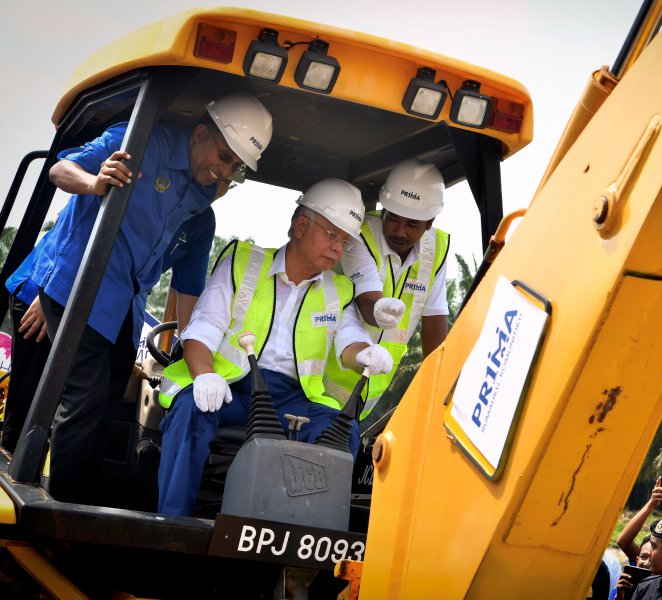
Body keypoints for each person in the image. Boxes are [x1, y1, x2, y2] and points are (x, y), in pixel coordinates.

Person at [3, 93, 273, 504]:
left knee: (107, 411)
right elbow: (61, 168)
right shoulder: (143, 141)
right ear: (200, 132)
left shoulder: (202, 210)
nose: (225, 171)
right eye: (224, 156)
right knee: (81, 403)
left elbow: (188, 296)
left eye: (234, 167)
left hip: (123, 312)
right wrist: (95, 183)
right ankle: (60, 516)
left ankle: (86, 505)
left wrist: (192, 364)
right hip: (77, 289)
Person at [156, 179, 395, 517]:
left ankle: (304, 539)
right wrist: (205, 375)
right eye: (331, 234)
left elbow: (348, 341)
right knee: (191, 411)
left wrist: (365, 353)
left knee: (343, 433)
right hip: (233, 388)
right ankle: (172, 525)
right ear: (300, 226)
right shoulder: (242, 262)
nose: (338, 249)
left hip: (292, 400)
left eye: (344, 240)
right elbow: (203, 328)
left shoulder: (339, 290)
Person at [1, 178, 236, 454]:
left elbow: (188, 295)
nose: (218, 183)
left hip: (111, 311)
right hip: (52, 291)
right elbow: (78, 227)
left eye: (227, 180)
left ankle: (71, 487)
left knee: (96, 411)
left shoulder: (201, 223)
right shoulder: (152, 185)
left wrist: (189, 354)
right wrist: (52, 292)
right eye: (217, 173)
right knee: (31, 407)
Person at [323, 158, 450, 420]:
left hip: (370, 394)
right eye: (392, 218)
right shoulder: (359, 236)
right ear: (383, 210)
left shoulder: (437, 249)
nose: (398, 231)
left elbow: (435, 318)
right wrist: (378, 310)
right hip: (320, 382)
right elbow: (369, 305)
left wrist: (439, 382)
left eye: (412, 224)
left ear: (429, 222)